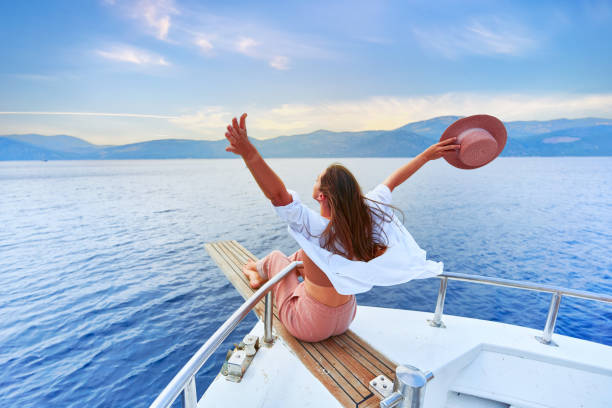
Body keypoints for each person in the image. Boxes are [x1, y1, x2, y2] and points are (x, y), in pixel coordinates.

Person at [224, 113, 459, 342]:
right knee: (301, 256)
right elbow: (394, 180)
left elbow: (277, 194)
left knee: (277, 258)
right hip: (346, 318)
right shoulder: (367, 217)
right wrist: (427, 156)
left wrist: (249, 153)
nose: (313, 182)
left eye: (317, 179)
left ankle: (256, 270)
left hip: (309, 325)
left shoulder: (314, 227)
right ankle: (263, 269)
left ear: (322, 196)